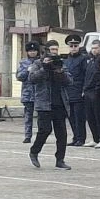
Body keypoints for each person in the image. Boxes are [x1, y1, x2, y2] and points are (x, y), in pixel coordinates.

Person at [29, 41, 73, 170]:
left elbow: (69, 81)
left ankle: (60, 160)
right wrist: (45, 67)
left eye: (56, 49)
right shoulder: (38, 63)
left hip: (59, 102)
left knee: (62, 133)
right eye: (52, 49)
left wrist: (60, 71)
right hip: (44, 103)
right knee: (45, 130)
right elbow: (32, 79)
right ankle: (34, 151)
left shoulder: (60, 63)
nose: (54, 52)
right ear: (46, 50)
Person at [63, 35, 88, 147]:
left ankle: (81, 138)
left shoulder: (83, 59)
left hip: (78, 90)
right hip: (69, 91)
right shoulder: (66, 60)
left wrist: (84, 89)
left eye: (75, 46)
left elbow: (86, 75)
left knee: (79, 117)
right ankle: (75, 137)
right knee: (71, 117)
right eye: (71, 46)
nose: (73, 48)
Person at [83, 40, 100, 148]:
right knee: (90, 117)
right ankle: (95, 138)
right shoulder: (90, 60)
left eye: (96, 48)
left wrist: (97, 87)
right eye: (92, 48)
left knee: (99, 116)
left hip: (97, 91)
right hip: (88, 91)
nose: (94, 50)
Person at [16, 41, 41, 143]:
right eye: (30, 51)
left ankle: (41, 136)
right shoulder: (23, 63)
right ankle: (27, 135)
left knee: (41, 117)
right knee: (28, 116)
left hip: (40, 93)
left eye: (34, 50)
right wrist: (27, 70)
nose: (32, 52)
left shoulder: (40, 62)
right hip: (28, 93)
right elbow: (19, 77)